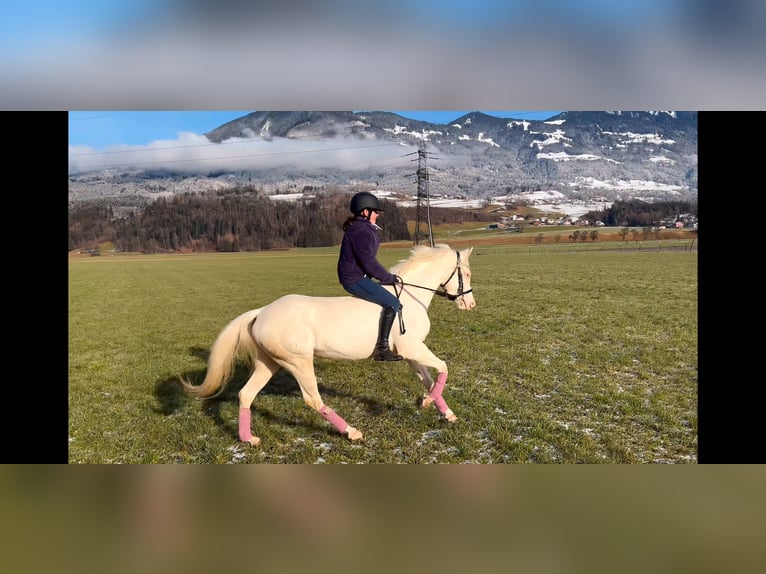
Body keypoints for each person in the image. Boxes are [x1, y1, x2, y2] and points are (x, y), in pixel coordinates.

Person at [337, 191, 404, 361]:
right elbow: (368, 262)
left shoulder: (363, 228)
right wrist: (388, 277)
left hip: (358, 276)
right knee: (392, 302)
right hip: (353, 278)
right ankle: (382, 348)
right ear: (365, 212)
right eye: (375, 212)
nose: (378, 215)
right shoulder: (361, 231)